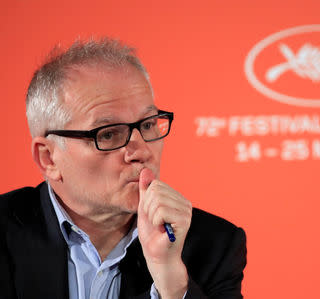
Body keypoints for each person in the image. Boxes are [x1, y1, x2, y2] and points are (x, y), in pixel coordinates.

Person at [0, 38, 246, 299]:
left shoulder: (213, 245)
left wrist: (171, 283)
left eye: (149, 125)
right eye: (108, 134)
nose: (140, 151)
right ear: (49, 158)